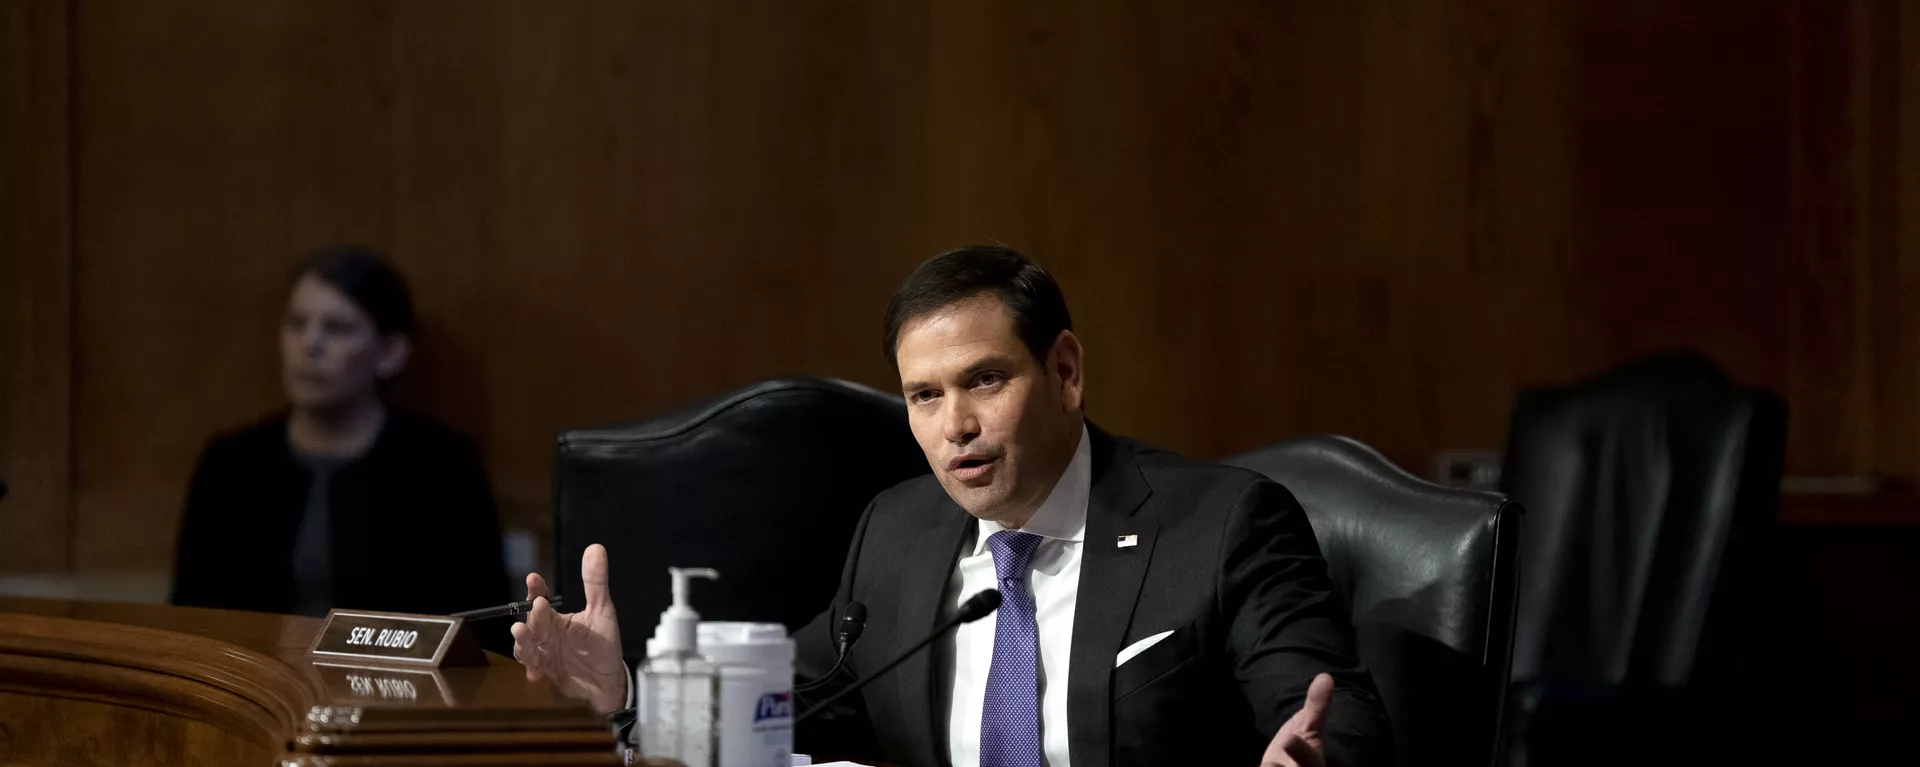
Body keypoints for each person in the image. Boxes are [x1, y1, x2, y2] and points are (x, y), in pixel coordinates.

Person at [512, 247, 1394, 767]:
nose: (954, 426)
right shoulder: (899, 531)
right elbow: (798, 700)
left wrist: (1317, 756)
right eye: (924, 396)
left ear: (1065, 371)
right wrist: (628, 687)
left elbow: (1326, 702)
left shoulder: (1223, 523)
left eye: (984, 380)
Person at [171, 245, 509, 624]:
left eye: (337, 328)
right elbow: (191, 618)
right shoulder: (230, 464)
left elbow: (482, 625)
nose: (309, 344)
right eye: (296, 324)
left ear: (390, 352)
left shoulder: (444, 466)